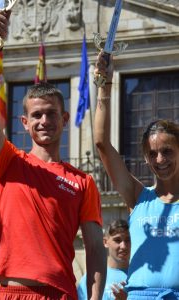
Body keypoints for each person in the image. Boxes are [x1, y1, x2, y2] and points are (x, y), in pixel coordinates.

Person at [0, 9, 106, 300]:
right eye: (37, 115)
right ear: (25, 123)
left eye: (51, 114)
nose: (44, 121)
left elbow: (95, 248)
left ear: (65, 118)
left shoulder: (83, 182)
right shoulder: (7, 161)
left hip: (59, 294)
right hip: (11, 292)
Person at [93, 51, 179, 299]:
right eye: (152, 154)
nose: (160, 160)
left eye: (167, 151)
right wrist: (105, 84)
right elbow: (101, 142)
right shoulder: (138, 197)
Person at [77, 219, 131, 300]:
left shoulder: (140, 277)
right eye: (117, 240)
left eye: (127, 240)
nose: (123, 246)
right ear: (105, 242)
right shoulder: (91, 279)